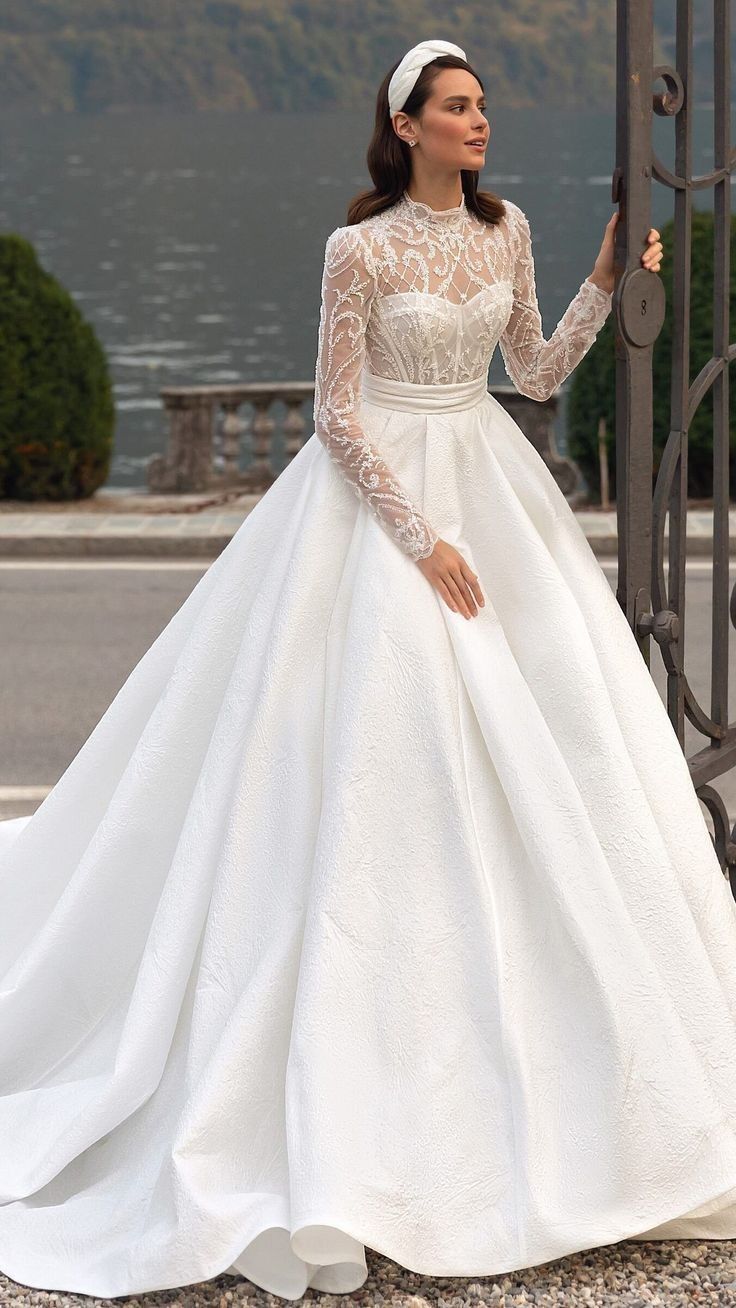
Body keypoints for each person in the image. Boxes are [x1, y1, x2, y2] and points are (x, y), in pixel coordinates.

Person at [0, 35, 735, 1306]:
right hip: (384, 512)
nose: (479, 120)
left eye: (483, 104)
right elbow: (339, 416)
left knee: (557, 732)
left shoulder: (503, 235)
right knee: (361, 756)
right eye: (457, 107)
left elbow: (537, 375)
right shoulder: (358, 249)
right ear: (405, 128)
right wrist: (421, 541)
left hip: (494, 492)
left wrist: (606, 278)